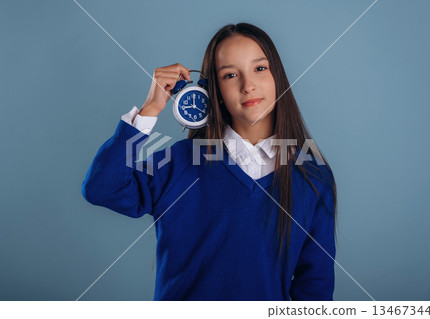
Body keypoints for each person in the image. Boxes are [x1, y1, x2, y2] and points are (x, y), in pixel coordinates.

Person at [82, 22, 337, 301]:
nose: (248, 85)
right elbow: (102, 188)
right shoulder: (178, 162)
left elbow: (315, 287)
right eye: (230, 75)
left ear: (278, 76)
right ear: (212, 91)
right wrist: (150, 109)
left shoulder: (313, 178)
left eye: (260, 68)